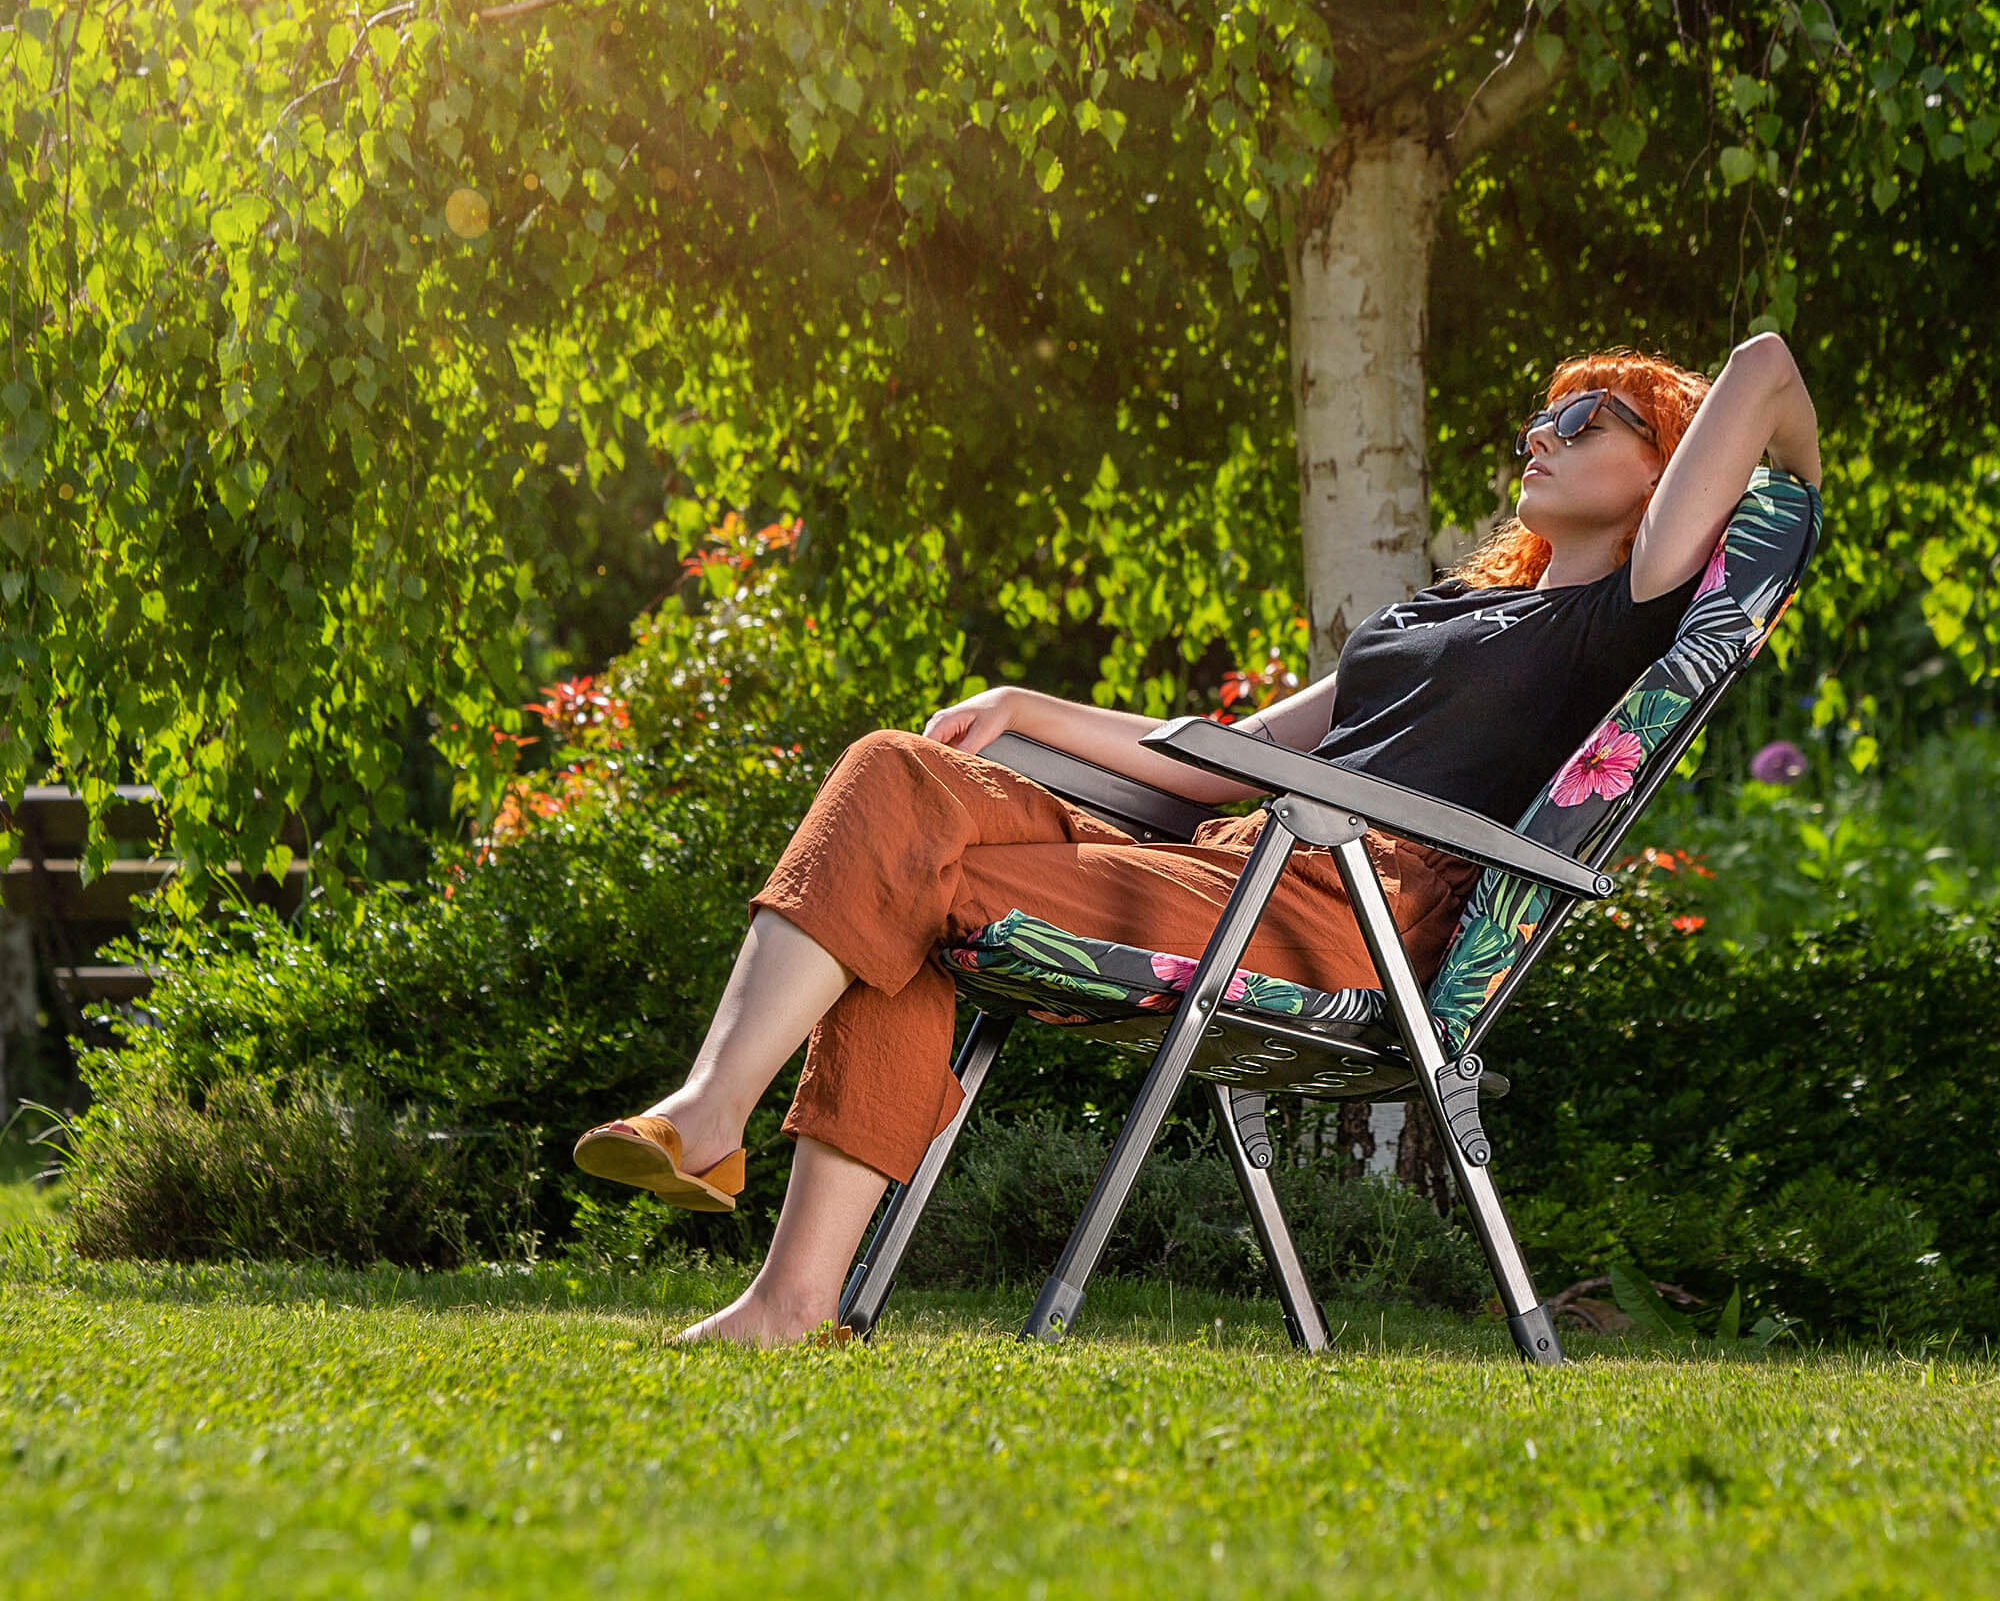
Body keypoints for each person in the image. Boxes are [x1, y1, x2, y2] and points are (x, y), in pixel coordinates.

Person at [575, 334, 1822, 1345]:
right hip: (1243, 851)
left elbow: (1764, 367)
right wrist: (1024, 707)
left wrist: (1778, 502)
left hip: (1345, 907)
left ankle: (784, 1282)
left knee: (907, 882)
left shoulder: (1620, 614)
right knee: (894, 784)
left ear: (1665, 467)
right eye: (1534, 425)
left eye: (1586, 420)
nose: (1540, 439)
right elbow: (1228, 753)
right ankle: (717, 1135)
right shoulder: (1448, 611)